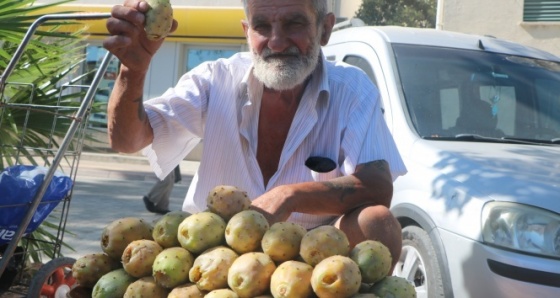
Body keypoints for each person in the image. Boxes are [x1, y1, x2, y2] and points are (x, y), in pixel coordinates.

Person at [103, 0, 407, 269]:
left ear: (324, 29)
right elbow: (127, 140)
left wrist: (290, 196)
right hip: (209, 255)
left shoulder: (352, 90)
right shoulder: (214, 79)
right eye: (262, 26)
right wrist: (134, 70)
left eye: (294, 23)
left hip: (311, 260)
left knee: (377, 222)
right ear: (247, 31)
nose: (276, 42)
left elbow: (378, 187)